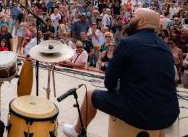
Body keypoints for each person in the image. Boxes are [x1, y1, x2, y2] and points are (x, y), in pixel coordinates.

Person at [62, 8, 179, 137]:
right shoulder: (166, 48)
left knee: (90, 95)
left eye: (133, 17)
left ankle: (77, 130)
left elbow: (109, 83)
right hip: (169, 115)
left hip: (141, 115)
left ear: (142, 21)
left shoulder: (127, 43)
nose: (129, 20)